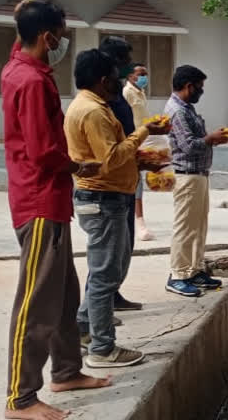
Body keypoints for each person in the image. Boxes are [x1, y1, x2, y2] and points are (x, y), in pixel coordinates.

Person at [2, 0, 110, 420]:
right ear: (48, 37)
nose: (62, 43)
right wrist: (80, 165)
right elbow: (43, 151)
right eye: (61, 35)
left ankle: (66, 370)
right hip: (40, 201)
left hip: (52, 200)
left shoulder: (26, 71)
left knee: (65, 296)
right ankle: (20, 397)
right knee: (35, 302)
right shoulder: (30, 80)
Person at [64, 49, 170, 368]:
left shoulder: (97, 106)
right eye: (114, 74)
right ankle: (103, 348)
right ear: (102, 79)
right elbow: (109, 159)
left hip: (111, 196)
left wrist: (142, 160)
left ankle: (85, 329)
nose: (118, 80)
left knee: (108, 271)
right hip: (102, 200)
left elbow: (108, 155)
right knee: (104, 276)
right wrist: (144, 133)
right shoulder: (92, 111)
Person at [165, 65, 228, 297]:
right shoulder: (177, 111)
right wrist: (210, 139)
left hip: (199, 174)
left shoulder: (188, 108)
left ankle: (194, 269)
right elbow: (188, 145)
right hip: (187, 175)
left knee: (198, 226)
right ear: (188, 86)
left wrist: (212, 139)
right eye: (199, 87)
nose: (201, 92)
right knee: (185, 227)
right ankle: (178, 274)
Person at [98, 36, 143, 313]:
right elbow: (109, 150)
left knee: (123, 245)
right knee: (108, 252)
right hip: (109, 184)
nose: (130, 66)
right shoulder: (101, 103)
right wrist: (144, 135)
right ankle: (96, 314)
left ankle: (113, 294)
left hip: (126, 175)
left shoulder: (119, 93)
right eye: (126, 60)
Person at [122, 63, 156, 241]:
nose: (144, 78)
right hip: (131, 141)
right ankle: (139, 222)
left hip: (142, 140)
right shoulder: (127, 93)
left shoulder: (140, 93)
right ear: (130, 76)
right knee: (136, 182)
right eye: (141, 74)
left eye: (146, 74)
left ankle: (137, 220)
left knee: (137, 180)